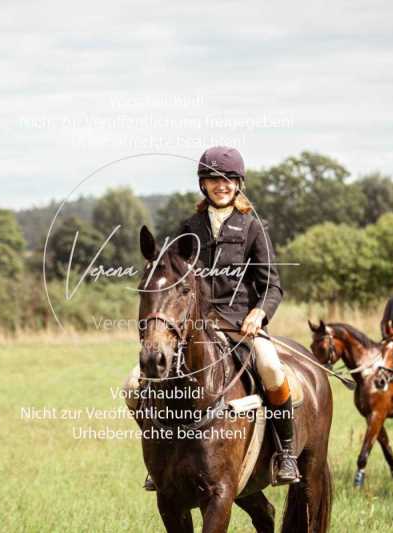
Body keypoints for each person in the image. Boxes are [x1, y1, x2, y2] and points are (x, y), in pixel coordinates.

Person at [126, 146, 299, 490]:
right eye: (213, 179)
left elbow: (272, 286)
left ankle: (287, 453)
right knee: (133, 386)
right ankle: (160, 459)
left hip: (240, 326)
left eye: (228, 180)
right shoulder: (188, 228)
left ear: (238, 184)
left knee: (272, 369)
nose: (221, 185)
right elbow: (174, 277)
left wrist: (259, 313)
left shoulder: (253, 228)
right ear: (203, 185)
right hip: (194, 328)